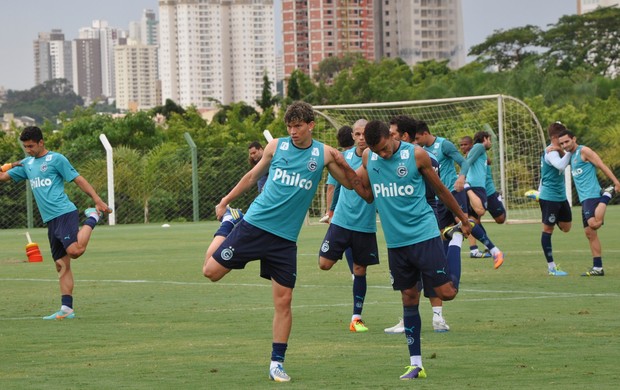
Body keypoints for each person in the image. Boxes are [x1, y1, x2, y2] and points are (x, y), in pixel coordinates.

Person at [202, 101, 361, 382]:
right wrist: (226, 201)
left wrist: (344, 160)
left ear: (310, 125)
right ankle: (230, 222)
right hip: (254, 225)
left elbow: (350, 183)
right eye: (289, 126)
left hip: (285, 240)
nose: (293, 131)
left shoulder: (323, 154)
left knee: (284, 301)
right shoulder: (276, 146)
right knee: (211, 273)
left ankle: (277, 363)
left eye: (298, 126)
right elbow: (252, 176)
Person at [334, 120, 471, 380]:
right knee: (409, 297)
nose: (382, 155)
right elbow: (365, 193)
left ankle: (455, 242)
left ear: (391, 137)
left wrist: (462, 219)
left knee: (447, 293)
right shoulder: (368, 157)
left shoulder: (416, 155)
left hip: (424, 235)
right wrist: (341, 170)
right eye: (377, 151)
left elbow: (441, 190)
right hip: (396, 244)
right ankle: (415, 364)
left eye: (385, 149)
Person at [0, 126, 111, 320]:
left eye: (31, 146)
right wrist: (9, 165)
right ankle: (67, 309)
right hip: (50, 221)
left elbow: (78, 179)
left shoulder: (56, 159)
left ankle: (93, 216)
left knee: (75, 251)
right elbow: (2, 177)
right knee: (61, 265)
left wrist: (97, 200)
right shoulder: (27, 164)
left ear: (41, 142)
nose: (28, 150)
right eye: (25, 146)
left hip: (64, 213)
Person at [384, 115, 452, 334]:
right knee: (416, 276)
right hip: (416, 219)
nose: (389, 137)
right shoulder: (398, 157)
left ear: (404, 136)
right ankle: (427, 318)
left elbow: (435, 191)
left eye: (392, 133)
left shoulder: (423, 158)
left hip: (423, 217)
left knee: (427, 273)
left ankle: (437, 317)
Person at [318, 119, 378, 333]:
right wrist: (331, 212)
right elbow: (336, 186)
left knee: (360, 271)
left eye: (365, 134)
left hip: (365, 225)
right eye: (358, 134)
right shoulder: (342, 158)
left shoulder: (377, 158)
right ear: (352, 136)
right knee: (323, 264)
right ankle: (346, 251)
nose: (362, 138)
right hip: (341, 221)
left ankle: (356, 318)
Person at [558, 129, 619, 276]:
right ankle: (597, 268)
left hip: (592, 195)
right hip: (584, 198)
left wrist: (616, 182)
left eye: (567, 141)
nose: (565, 145)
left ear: (574, 139)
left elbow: (601, 165)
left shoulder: (584, 151)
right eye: (562, 143)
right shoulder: (570, 156)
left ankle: (606, 194)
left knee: (594, 224)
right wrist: (554, 148)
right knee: (590, 233)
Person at [462, 130, 505, 269]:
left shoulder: (479, 150)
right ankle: (491, 250)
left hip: (474, 188)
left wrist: (464, 181)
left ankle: (492, 250)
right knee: (471, 220)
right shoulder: (479, 147)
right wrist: (463, 178)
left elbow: (469, 161)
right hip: (475, 188)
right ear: (484, 139)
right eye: (489, 139)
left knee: (472, 220)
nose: (490, 143)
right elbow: (468, 161)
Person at [536, 122, 573, 276]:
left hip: (560, 196)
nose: (564, 141)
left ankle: (552, 215)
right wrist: (570, 151)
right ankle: (551, 267)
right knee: (548, 229)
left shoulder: (558, 150)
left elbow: (564, 160)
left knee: (566, 227)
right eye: (561, 139)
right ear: (553, 138)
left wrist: (563, 150)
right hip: (549, 197)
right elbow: (560, 166)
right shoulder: (551, 152)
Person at [319, 125, 354, 223]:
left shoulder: (338, 159)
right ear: (353, 137)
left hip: (342, 210)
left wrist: (329, 212)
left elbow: (331, 187)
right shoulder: (361, 156)